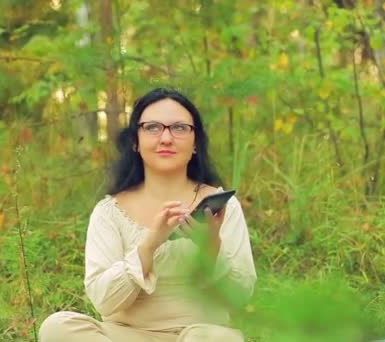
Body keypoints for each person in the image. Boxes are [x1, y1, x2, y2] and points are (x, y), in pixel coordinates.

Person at [39, 88, 257, 341]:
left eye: (179, 128)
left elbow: (240, 297)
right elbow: (104, 302)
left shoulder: (221, 207)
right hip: (126, 336)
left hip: (200, 334)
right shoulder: (109, 212)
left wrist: (211, 247)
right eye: (152, 127)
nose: (166, 138)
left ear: (196, 142)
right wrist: (149, 246)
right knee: (58, 327)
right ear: (135, 141)